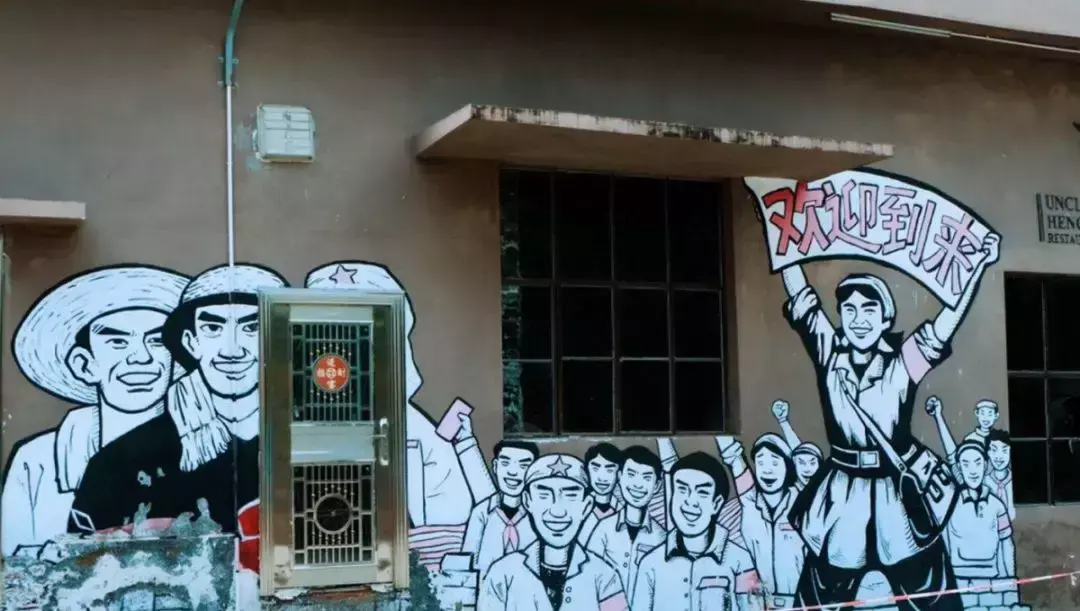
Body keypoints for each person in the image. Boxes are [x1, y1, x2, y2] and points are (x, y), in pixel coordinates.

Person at [779, 232, 998, 611]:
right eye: (849, 309)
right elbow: (802, 295)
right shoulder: (829, 352)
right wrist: (780, 235)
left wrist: (978, 266)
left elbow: (946, 323)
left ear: (885, 319)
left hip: (898, 492)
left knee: (929, 590)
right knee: (823, 590)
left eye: (869, 309)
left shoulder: (902, 362)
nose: (858, 319)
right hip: (842, 494)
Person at [67, 263, 287, 574]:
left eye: (252, 328)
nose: (233, 349)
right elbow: (88, 569)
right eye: (213, 328)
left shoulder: (310, 441)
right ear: (190, 341)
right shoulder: (122, 462)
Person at [2, 265, 189, 554]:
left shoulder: (201, 448)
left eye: (156, 341)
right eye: (118, 342)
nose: (141, 358)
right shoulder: (37, 460)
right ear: (84, 364)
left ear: (176, 359)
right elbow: (13, 557)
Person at [479, 454, 628, 611]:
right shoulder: (502, 574)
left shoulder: (604, 576)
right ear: (527, 501)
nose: (557, 511)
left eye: (570, 496)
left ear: (586, 505)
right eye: (544, 495)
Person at [633, 452, 757, 611]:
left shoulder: (741, 561)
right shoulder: (650, 564)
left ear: (716, 504)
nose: (691, 501)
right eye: (682, 489)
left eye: (702, 492)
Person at [720, 436, 805, 608]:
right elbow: (733, 457)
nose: (767, 470)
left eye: (774, 462)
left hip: (800, 603)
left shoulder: (802, 503)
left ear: (787, 466)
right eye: (761, 462)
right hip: (757, 604)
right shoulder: (750, 502)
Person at [586, 446, 665, 597]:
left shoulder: (661, 537)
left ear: (657, 486)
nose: (638, 485)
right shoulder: (604, 528)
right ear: (620, 476)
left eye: (647, 477)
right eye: (631, 474)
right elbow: (588, 575)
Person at [461, 439, 540, 579]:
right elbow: (468, 559)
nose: (513, 472)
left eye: (523, 466)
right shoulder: (481, 512)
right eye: (505, 463)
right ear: (495, 466)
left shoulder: (539, 513)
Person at [769, 399, 822, 490]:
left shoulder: (824, 489)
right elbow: (797, 450)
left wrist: (783, 421)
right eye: (801, 463)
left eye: (812, 463)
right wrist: (783, 421)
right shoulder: (791, 493)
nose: (807, 469)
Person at [579, 443, 622, 544]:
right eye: (595, 469)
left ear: (619, 474)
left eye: (610, 470)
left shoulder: (622, 511)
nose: (602, 478)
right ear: (587, 471)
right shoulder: (580, 507)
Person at [984, 429, 1014, 520]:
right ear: (988, 452)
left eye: (1004, 450)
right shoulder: (984, 482)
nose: (998, 456)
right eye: (994, 450)